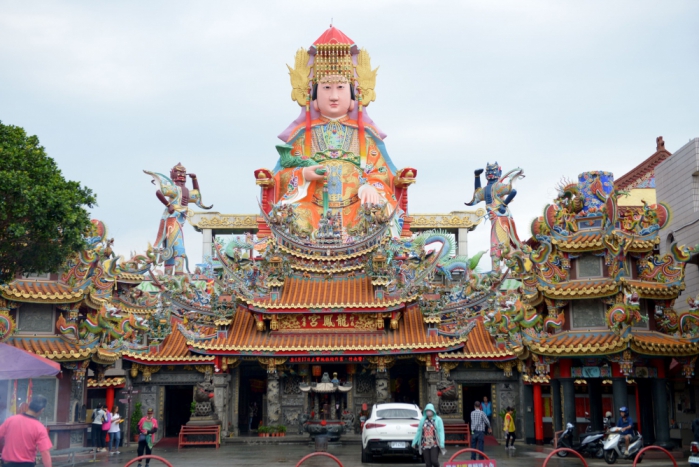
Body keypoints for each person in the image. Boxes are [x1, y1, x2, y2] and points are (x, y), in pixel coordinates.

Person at [0, 395, 53, 467]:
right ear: (42, 410)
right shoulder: (40, 428)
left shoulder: (10, 420)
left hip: (7, 464)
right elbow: (45, 453)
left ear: (29, 404)